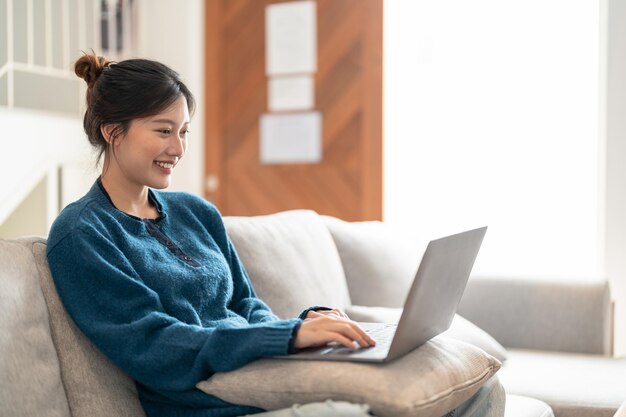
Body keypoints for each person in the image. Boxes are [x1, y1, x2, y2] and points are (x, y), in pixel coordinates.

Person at [46, 53, 504, 417]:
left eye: (184, 131)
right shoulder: (83, 234)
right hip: (206, 401)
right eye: (163, 131)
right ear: (113, 132)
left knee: (480, 389)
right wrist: (282, 339)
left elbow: (246, 305)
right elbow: (153, 345)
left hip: (264, 369)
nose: (179, 148)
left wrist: (302, 326)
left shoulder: (195, 212)